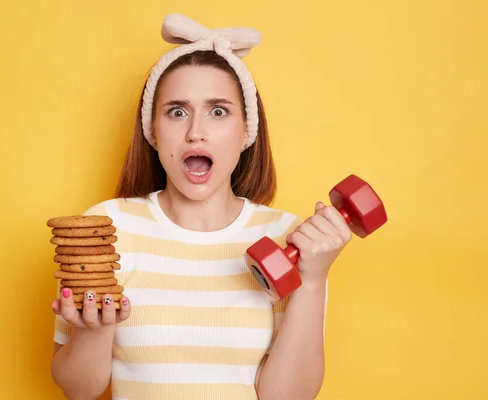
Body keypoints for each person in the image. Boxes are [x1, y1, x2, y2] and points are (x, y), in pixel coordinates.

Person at [49, 13, 352, 400]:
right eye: (177, 111)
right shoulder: (106, 229)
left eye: (218, 111)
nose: (195, 131)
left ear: (246, 131)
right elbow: (78, 390)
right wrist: (96, 330)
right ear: (152, 132)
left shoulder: (287, 238)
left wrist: (312, 280)